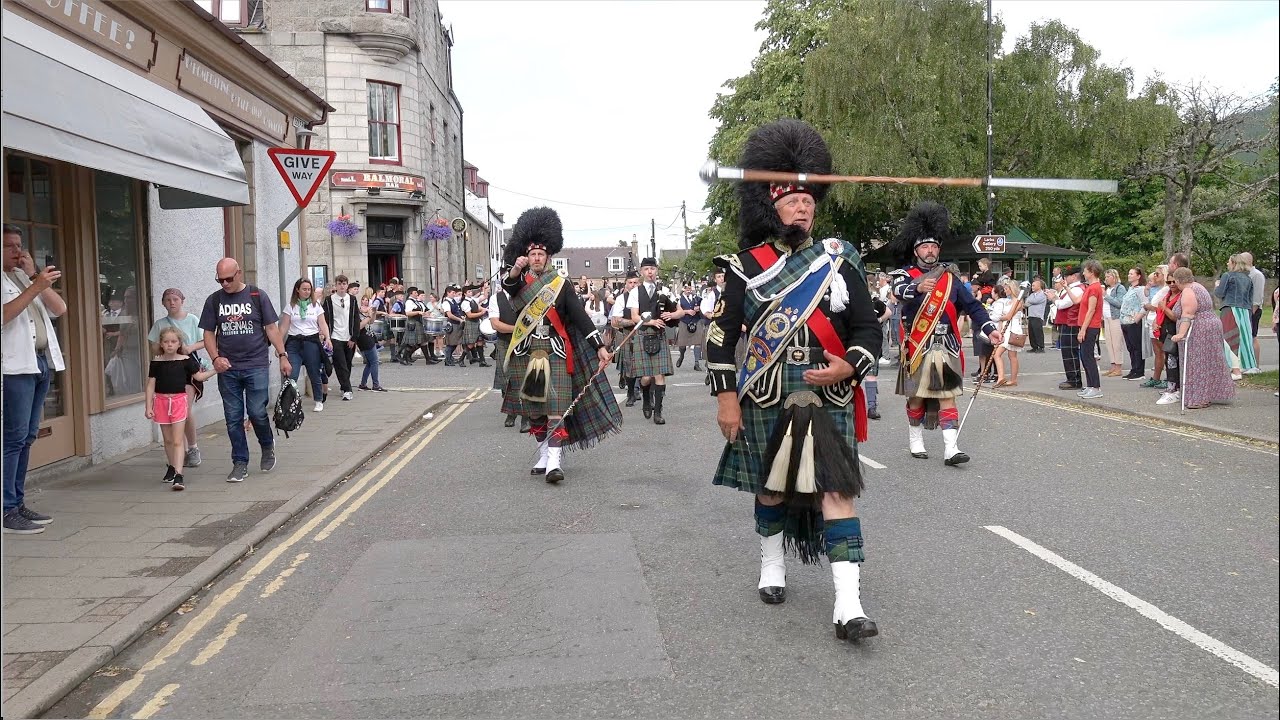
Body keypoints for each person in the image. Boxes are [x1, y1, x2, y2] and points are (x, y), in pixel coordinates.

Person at [707, 119, 882, 642]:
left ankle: (848, 605)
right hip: (766, 391)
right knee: (771, 490)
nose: (803, 207)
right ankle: (772, 564)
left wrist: (851, 364)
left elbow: (868, 327)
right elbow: (720, 339)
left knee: (838, 490)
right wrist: (726, 402)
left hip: (826, 391)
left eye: (809, 199)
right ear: (771, 205)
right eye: (792, 199)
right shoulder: (745, 268)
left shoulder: (839, 259)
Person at [500, 207, 621, 483]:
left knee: (556, 406)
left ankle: (554, 461)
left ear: (549, 256)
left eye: (541, 254)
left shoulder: (560, 284)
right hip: (526, 350)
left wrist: (599, 346)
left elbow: (580, 319)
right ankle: (544, 453)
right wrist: (515, 269)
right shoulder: (519, 283)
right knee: (534, 409)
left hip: (555, 350)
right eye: (532, 254)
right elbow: (509, 287)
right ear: (527, 257)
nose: (537, 258)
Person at [889, 202, 1002, 465]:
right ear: (916, 249)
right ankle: (915, 439)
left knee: (947, 396)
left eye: (934, 247)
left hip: (946, 343)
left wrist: (990, 329)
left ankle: (951, 448)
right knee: (916, 396)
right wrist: (917, 289)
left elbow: (973, 307)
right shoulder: (905, 274)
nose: (930, 251)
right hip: (917, 344)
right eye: (925, 247)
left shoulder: (951, 279)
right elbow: (898, 292)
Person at [199, 257, 291, 483]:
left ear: (239, 273)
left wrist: (282, 356)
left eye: (228, 279)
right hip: (227, 368)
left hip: (256, 364)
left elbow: (271, 328)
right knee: (232, 418)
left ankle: (267, 445)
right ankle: (240, 462)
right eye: (220, 280)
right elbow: (208, 333)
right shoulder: (214, 300)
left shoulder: (256, 296)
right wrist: (215, 358)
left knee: (257, 413)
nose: (224, 284)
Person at [2, 225, 66, 534]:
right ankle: (6, 509)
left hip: (39, 363)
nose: (17, 251)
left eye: (19, 245)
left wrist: (33, 276)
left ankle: (17, 501)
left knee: (27, 437)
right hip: (13, 368)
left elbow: (60, 308)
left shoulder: (22, 278)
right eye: (9, 246)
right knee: (12, 439)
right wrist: (33, 287)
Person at [146, 326, 217, 491]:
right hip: (161, 402)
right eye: (166, 342)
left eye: (173, 341)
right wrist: (148, 406)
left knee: (178, 440)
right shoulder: (156, 362)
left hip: (178, 402)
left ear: (179, 343)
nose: (170, 344)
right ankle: (171, 467)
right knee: (168, 440)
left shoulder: (186, 360)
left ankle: (179, 474)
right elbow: (150, 385)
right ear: (161, 344)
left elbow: (198, 376)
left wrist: (215, 370)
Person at [146, 288, 209, 469]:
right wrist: (165, 350)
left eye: (175, 299)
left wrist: (189, 348)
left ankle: (193, 447)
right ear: (163, 303)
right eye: (167, 300)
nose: (172, 302)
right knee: (171, 415)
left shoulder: (192, 320)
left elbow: (206, 340)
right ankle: (176, 453)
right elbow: (154, 347)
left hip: (188, 369)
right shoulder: (159, 324)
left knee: (185, 411)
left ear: (182, 300)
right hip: (168, 371)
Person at [625, 257, 682, 424]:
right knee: (646, 378)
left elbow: (681, 312)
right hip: (643, 335)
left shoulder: (665, 290)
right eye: (646, 269)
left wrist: (671, 315)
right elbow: (635, 316)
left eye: (653, 268)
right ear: (642, 272)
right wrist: (650, 321)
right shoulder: (636, 291)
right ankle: (645, 400)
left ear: (656, 270)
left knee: (659, 376)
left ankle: (658, 411)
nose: (650, 272)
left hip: (659, 336)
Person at [1169, 267, 1236, 409]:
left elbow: (1188, 313)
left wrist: (1181, 334)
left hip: (1200, 329)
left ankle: (1199, 398)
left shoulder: (1188, 290)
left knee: (1197, 362)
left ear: (1178, 280)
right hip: (1210, 325)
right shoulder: (1199, 286)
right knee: (1208, 361)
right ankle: (1206, 394)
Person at [279, 278, 332, 412]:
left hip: (311, 341)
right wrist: (278, 346)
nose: (307, 292)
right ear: (297, 290)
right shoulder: (291, 306)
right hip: (294, 343)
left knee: (314, 372)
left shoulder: (316, 306)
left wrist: (327, 338)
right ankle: (290, 402)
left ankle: (318, 400)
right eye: (304, 289)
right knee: (292, 373)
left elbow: (323, 323)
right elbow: (283, 327)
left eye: (309, 289)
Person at [1214, 255, 1258, 373]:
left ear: (1234, 263)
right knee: (1244, 338)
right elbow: (1250, 298)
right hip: (1245, 310)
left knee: (1228, 338)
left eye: (1229, 262)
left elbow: (1219, 293)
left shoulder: (1227, 276)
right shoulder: (1248, 278)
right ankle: (1246, 365)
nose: (1227, 264)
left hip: (1230, 309)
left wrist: (1217, 286)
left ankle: (1233, 366)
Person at [322, 275, 358, 401]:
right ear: (336, 285)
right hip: (335, 336)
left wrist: (354, 337)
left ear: (347, 285)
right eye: (339, 283)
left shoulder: (352, 299)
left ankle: (344, 385)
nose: (342, 286)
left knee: (347, 363)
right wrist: (327, 337)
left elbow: (355, 319)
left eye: (344, 284)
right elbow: (325, 319)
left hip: (348, 336)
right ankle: (348, 390)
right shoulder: (328, 300)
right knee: (340, 363)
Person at [611, 271, 641, 405]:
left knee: (643, 366)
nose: (633, 285)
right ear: (626, 284)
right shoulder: (621, 299)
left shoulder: (645, 296)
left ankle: (642, 392)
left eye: (635, 282)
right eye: (630, 282)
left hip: (644, 334)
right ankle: (631, 394)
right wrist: (635, 321)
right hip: (627, 334)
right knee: (629, 366)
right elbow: (616, 321)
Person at [1076, 260, 1105, 399]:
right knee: (1084, 356)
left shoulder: (1094, 288)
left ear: (1092, 272)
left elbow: (1091, 310)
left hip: (1091, 326)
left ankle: (1096, 386)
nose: (1083, 273)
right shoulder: (1091, 287)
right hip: (1088, 325)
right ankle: (1090, 385)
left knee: (1088, 357)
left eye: (1086, 271)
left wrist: (1083, 329)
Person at [1053, 266, 1085, 390]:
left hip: (1071, 323)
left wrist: (1053, 298)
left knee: (1070, 352)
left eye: (1067, 276)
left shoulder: (1077, 289)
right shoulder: (1075, 288)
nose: (1065, 278)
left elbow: (1062, 305)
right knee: (1068, 352)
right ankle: (1072, 378)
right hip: (1069, 322)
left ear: (1074, 276)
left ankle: (1074, 380)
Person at [990, 280, 1025, 387]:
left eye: (1006, 289)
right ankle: (1002, 377)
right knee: (1001, 354)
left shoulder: (1017, 301)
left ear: (1012, 289)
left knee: (1010, 355)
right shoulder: (1008, 301)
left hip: (1013, 328)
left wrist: (998, 317)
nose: (1005, 291)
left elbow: (1009, 316)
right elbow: (1004, 317)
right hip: (1005, 328)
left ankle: (1011, 379)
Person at [1119, 267, 1149, 380]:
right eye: (1129, 273)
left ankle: (1139, 371)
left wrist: (1139, 316)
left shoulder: (1140, 289)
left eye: (1132, 274)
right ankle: (1133, 368)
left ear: (1138, 276)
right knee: (1130, 347)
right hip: (1125, 321)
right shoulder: (1130, 289)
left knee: (1137, 346)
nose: (1129, 275)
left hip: (1133, 321)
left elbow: (1145, 303)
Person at [698, 268, 726, 387]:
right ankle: (710, 371)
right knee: (714, 351)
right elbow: (706, 311)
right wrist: (716, 318)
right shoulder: (712, 294)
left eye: (723, 276)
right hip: (715, 326)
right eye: (719, 276)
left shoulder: (731, 292)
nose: (722, 279)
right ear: (715, 279)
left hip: (728, 326)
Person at [355, 295, 387, 392]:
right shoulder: (356, 316)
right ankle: (376, 385)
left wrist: (372, 313)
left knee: (369, 363)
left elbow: (371, 321)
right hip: (364, 339)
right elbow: (359, 326)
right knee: (374, 362)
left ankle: (363, 384)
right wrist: (368, 316)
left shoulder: (363, 314)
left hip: (369, 337)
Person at [1241, 252, 1266, 371]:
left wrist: (1251, 312)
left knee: (1252, 336)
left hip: (1253, 310)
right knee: (1245, 336)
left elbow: (1257, 297)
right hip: (1245, 309)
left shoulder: (1256, 275)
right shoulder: (1245, 274)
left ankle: (1256, 366)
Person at [1102, 268, 1128, 377]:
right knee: (1109, 343)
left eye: (1108, 277)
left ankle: (1118, 367)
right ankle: (1113, 365)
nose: (1106, 279)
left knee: (1117, 343)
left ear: (1114, 277)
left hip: (1115, 318)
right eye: (1106, 277)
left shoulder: (1119, 288)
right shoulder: (1108, 289)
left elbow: (1120, 303)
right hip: (1107, 318)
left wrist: (1106, 296)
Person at [675, 283, 705, 371]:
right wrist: (687, 311)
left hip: (696, 321)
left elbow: (704, 306)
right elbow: (676, 310)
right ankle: (681, 356)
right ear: (683, 289)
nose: (688, 290)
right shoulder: (679, 299)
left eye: (689, 288)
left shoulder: (697, 298)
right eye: (686, 288)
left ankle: (696, 363)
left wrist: (699, 308)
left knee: (698, 342)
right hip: (684, 322)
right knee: (682, 344)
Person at [1024, 278, 1047, 352]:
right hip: (1031, 315)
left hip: (1037, 316)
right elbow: (1027, 302)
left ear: (1039, 286)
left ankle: (1041, 346)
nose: (1032, 287)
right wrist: (1029, 302)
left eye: (1034, 286)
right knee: (1031, 332)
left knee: (1038, 332)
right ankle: (1034, 346)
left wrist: (1029, 302)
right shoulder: (1032, 294)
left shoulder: (1042, 294)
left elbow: (1034, 301)